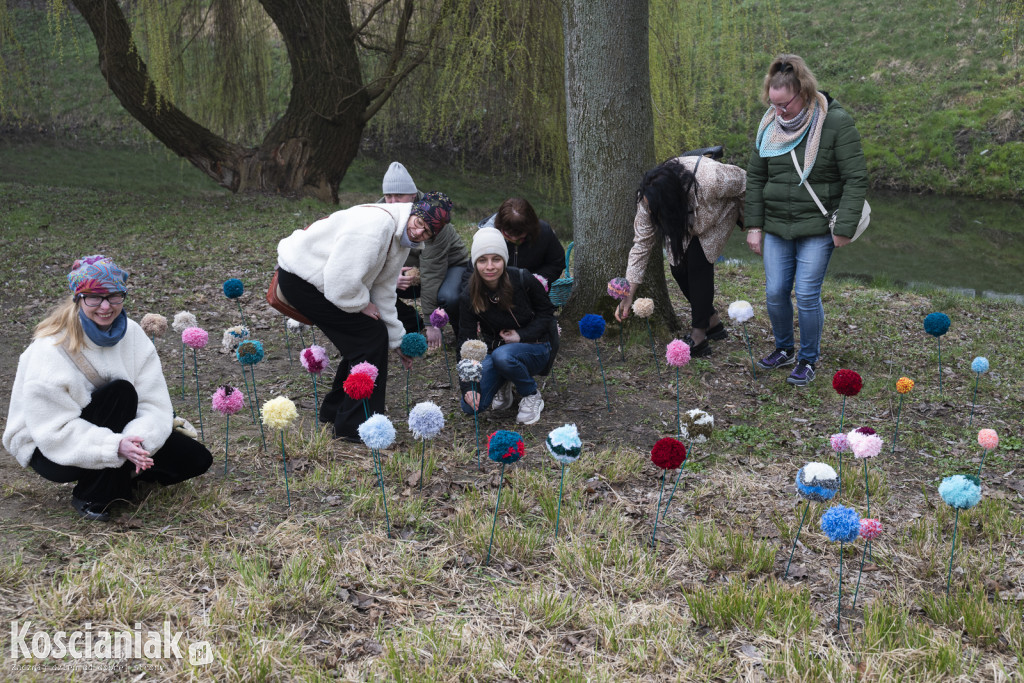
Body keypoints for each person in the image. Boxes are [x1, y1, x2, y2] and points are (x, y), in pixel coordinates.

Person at [2, 256, 212, 521]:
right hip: (50, 447)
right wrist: (115, 447)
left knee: (196, 459)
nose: (105, 306)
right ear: (78, 299)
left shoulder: (133, 334)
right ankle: (93, 495)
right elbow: (52, 429)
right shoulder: (50, 349)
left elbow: (154, 403)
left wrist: (137, 442)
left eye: (114, 297)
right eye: (94, 298)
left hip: (118, 430)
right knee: (120, 393)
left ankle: (119, 474)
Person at [277, 192, 453, 440]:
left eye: (426, 233)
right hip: (302, 278)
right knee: (368, 336)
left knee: (369, 336)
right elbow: (340, 282)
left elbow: (384, 289)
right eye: (419, 224)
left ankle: (337, 410)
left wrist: (397, 340)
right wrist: (360, 305)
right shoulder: (377, 226)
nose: (418, 233)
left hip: (325, 282)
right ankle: (354, 424)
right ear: (413, 212)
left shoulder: (401, 238)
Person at [745, 54, 868, 386]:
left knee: (807, 294)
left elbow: (856, 179)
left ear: (805, 92)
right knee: (775, 292)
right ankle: (784, 349)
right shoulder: (769, 125)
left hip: (817, 226)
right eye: (773, 105)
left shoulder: (835, 123)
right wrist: (754, 226)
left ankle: (808, 359)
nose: (778, 112)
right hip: (777, 225)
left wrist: (844, 228)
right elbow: (755, 179)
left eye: (784, 104)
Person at [614, 154, 746, 357]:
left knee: (698, 261)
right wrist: (628, 293)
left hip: (717, 213)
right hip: (681, 219)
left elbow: (746, 182)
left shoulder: (712, 179)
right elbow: (641, 245)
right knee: (678, 267)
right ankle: (711, 321)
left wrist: (753, 224)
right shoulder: (647, 199)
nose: (651, 213)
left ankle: (699, 336)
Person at [457, 228, 555, 425]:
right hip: (497, 352)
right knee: (470, 406)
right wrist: (468, 387)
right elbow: (465, 342)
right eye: (483, 260)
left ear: (505, 259)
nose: (490, 266)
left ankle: (531, 394)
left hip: (536, 347)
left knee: (504, 356)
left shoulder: (522, 278)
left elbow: (547, 314)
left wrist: (521, 335)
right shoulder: (469, 294)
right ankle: (504, 381)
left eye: (496, 259)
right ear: (475, 263)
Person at [380, 162, 470, 347]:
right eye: (389, 196)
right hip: (409, 269)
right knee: (373, 287)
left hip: (449, 266)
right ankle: (412, 323)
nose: (393, 202)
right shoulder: (380, 214)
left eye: (399, 195)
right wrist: (388, 277)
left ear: (413, 195)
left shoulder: (433, 217)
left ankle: (464, 335)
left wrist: (431, 323)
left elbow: (432, 272)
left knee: (449, 297)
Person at [479, 198, 566, 290]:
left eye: (519, 234)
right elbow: (474, 269)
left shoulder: (544, 232)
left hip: (532, 291)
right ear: (500, 225)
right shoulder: (488, 236)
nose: (514, 238)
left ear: (530, 226)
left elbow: (556, 263)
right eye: (509, 233)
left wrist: (537, 281)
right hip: (496, 290)